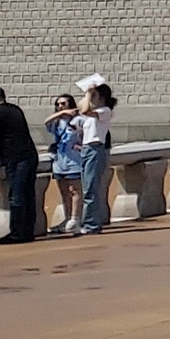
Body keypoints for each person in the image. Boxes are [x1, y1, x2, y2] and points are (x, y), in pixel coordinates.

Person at [0, 85, 41, 243]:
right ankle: (28, 231)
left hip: (15, 158)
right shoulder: (16, 109)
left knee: (16, 196)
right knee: (28, 194)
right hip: (30, 155)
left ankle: (17, 233)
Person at [74, 79, 116, 234]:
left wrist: (88, 92)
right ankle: (89, 222)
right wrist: (89, 93)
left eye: (94, 95)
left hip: (95, 149)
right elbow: (81, 108)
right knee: (86, 188)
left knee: (91, 188)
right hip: (87, 149)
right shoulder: (93, 115)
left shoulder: (105, 111)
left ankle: (91, 224)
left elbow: (84, 110)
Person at [44, 91, 84, 234]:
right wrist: (60, 114)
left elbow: (87, 135)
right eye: (58, 104)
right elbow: (46, 122)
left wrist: (82, 145)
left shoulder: (79, 120)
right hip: (59, 161)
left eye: (63, 103)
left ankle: (75, 218)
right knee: (64, 192)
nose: (60, 106)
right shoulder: (56, 122)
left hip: (74, 160)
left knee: (75, 190)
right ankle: (67, 218)